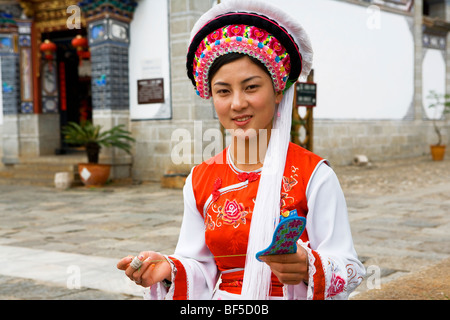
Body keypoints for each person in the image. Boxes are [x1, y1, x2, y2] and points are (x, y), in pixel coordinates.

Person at [117, 0, 365, 300]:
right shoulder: (200, 179)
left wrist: (306, 266)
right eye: (223, 91)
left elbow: (348, 266)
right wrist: (169, 270)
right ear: (211, 96)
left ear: (277, 91)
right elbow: (200, 267)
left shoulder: (314, 176)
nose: (236, 104)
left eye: (250, 87)